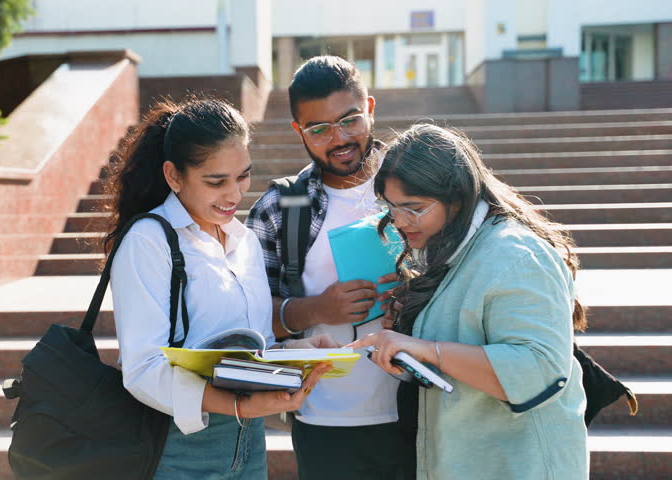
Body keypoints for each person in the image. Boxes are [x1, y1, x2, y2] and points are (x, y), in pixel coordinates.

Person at [105, 98, 334, 480]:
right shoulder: (149, 240)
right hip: (178, 448)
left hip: (249, 442)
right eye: (216, 181)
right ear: (174, 176)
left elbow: (255, 346)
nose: (235, 195)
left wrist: (293, 352)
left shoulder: (242, 240)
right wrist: (240, 406)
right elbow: (142, 369)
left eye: (243, 176)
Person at [350, 124, 589, 479]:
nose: (399, 222)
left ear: (457, 198)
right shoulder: (454, 243)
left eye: (413, 208)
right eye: (392, 207)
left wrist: (427, 348)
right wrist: (411, 334)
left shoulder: (516, 254)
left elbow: (539, 369)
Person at [246, 56, 414, 479]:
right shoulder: (279, 210)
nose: (338, 139)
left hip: (423, 410)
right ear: (298, 131)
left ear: (370, 108)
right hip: (325, 419)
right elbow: (245, 317)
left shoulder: (421, 185)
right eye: (318, 129)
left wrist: (414, 301)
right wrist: (316, 309)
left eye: (350, 121)